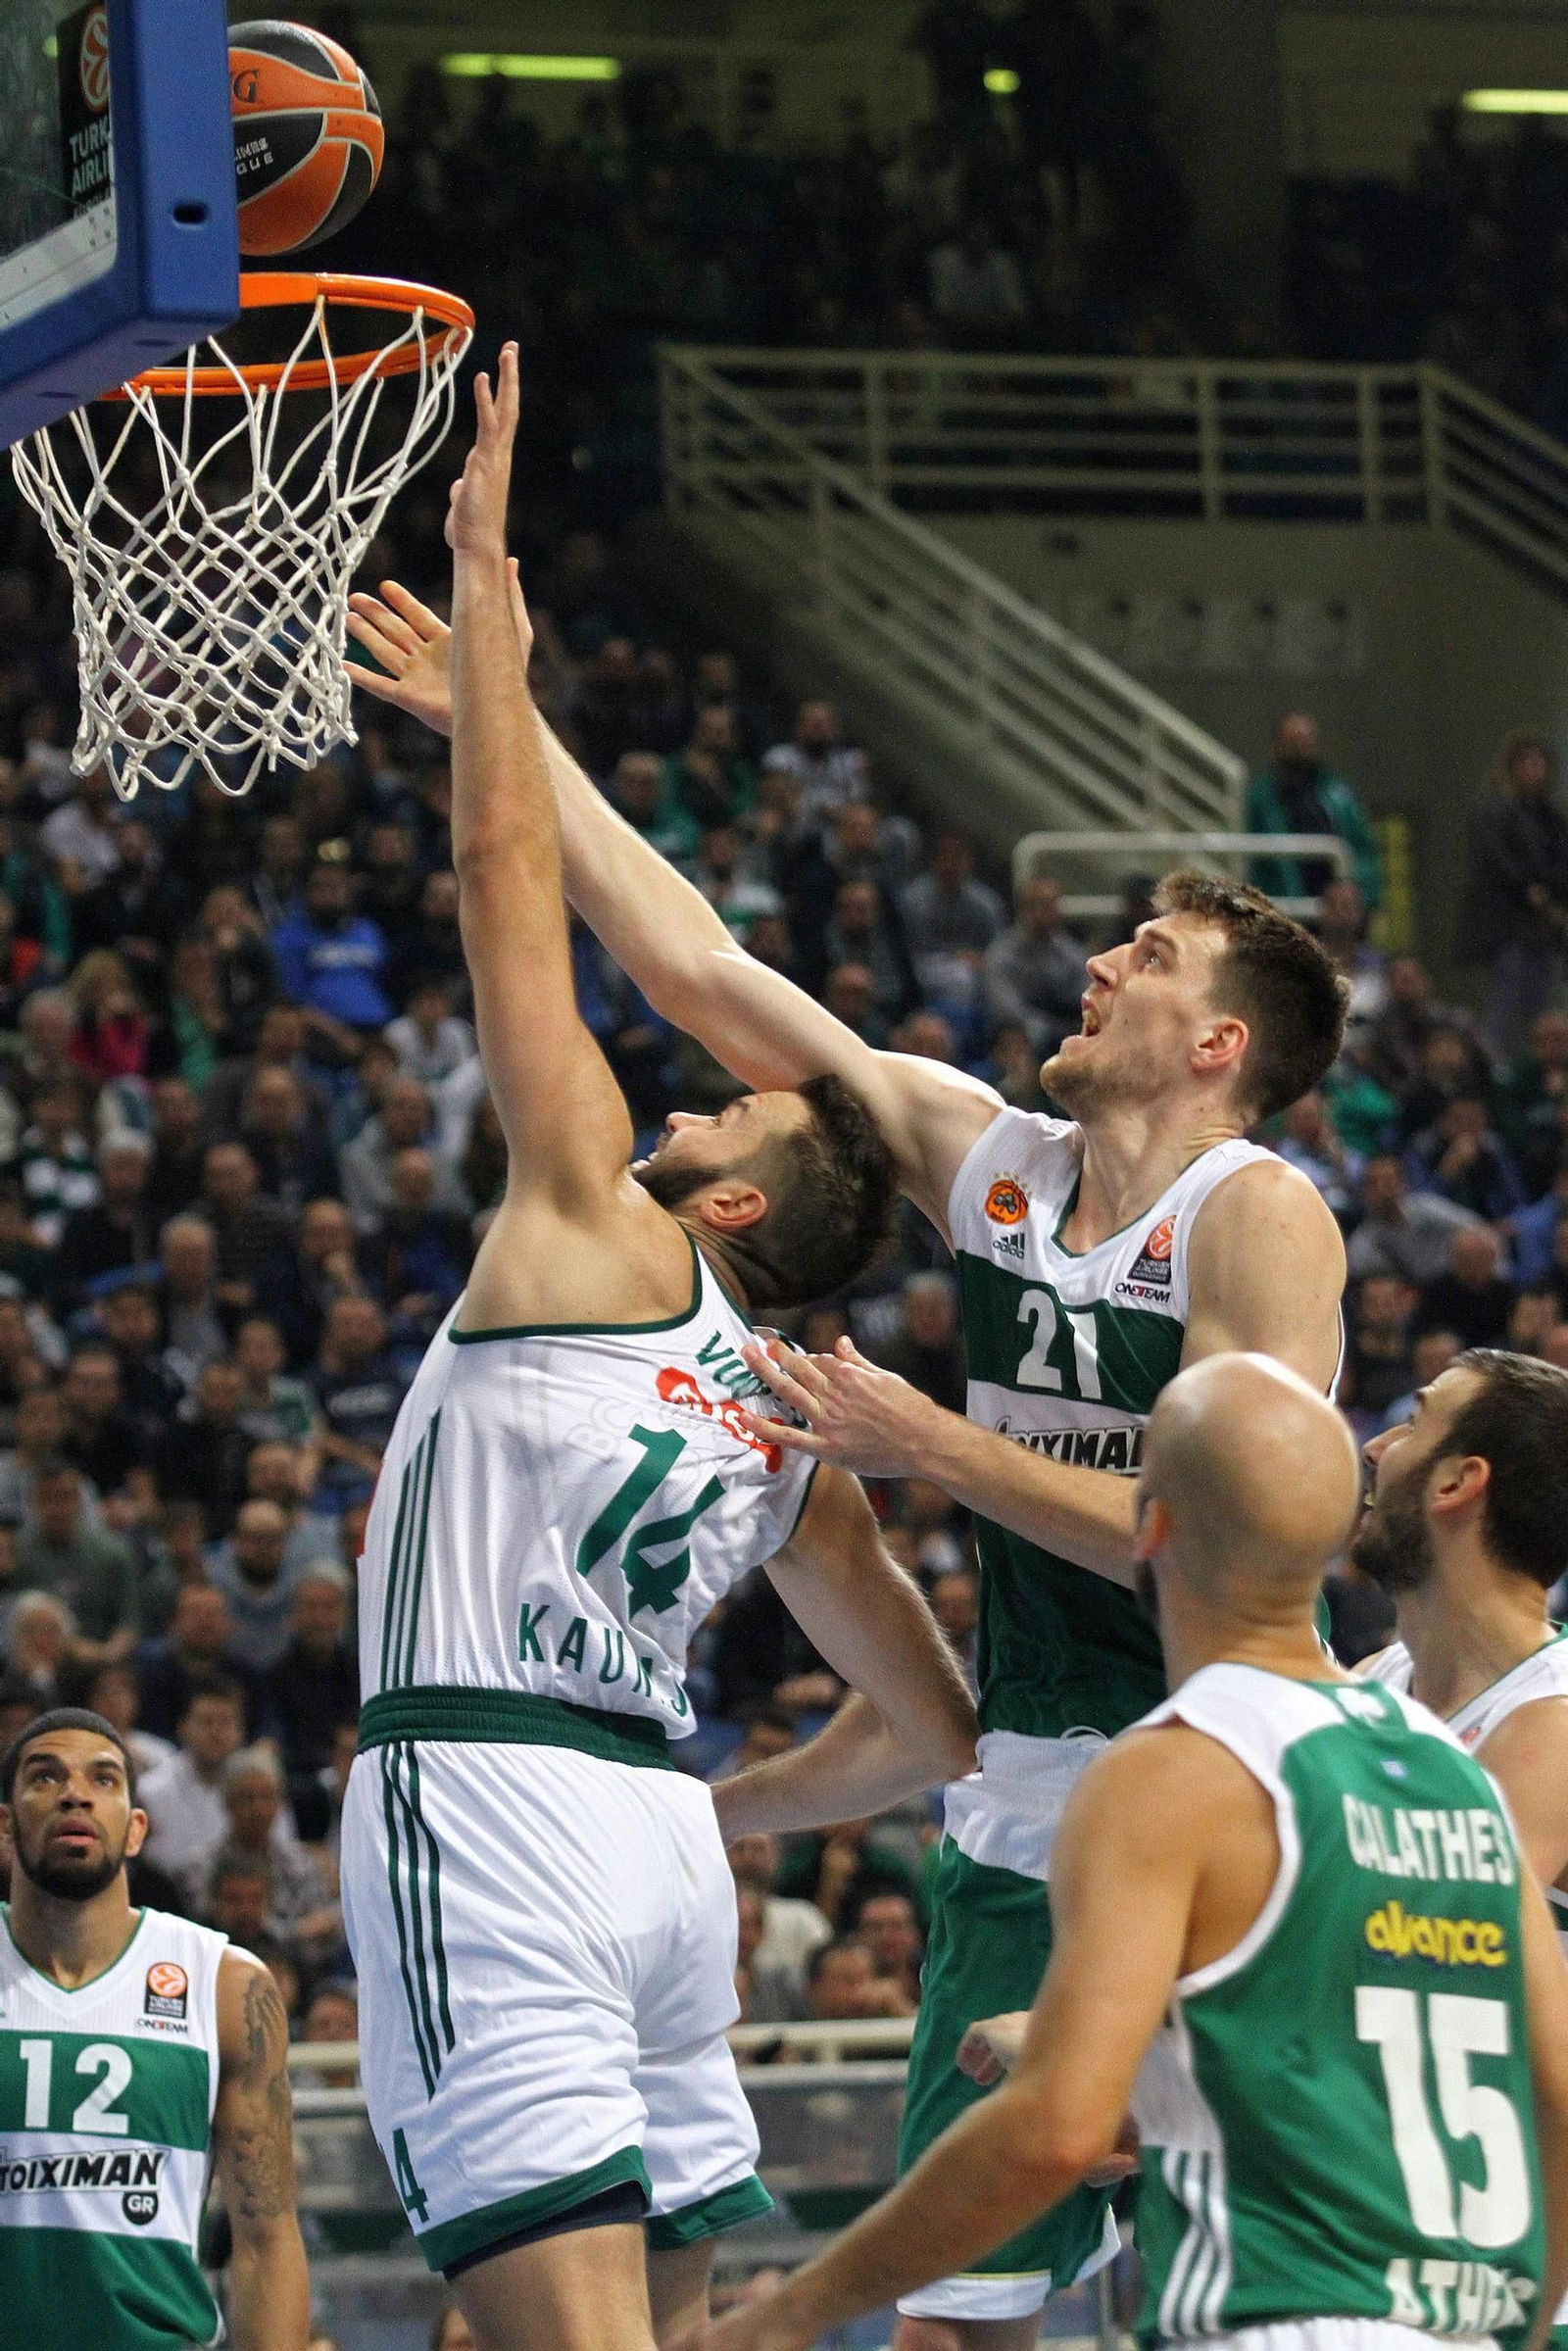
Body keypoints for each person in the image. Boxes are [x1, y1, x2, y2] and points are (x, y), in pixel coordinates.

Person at [348, 541, 1350, 2351]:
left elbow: (1238, 1532)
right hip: (1025, 1785)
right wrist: (494, 721)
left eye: (1152, 952)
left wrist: (937, 1447)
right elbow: (694, 958)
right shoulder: (987, 1159)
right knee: (957, 2318)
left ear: (1215, 1041)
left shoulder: (1252, 1210)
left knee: (1249, 2290)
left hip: (1213, 1769)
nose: (1105, 953)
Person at [338, 352, 976, 2351]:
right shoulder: (789, 1412)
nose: (697, 1096)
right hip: (648, 1830)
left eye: (733, 1114)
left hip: (491, 1794)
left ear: (721, 1208)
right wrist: (723, 1808)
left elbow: (500, 888)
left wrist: (493, 617)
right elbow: (931, 1726)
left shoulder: (602, 1231)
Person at [673, 1355, 1568, 2351]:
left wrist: (782, 2314)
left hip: (1288, 2308)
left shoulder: (1172, 1770)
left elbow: (1053, 2129)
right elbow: (1542, 2077)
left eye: (1410, 1417)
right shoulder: (1440, 1767)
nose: (1377, 1438)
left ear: (1147, 1527)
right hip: (1464, 2310)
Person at [0, 1707, 309, 2349]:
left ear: (137, 1828)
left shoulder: (223, 1982)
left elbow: (267, 2238)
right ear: (5, 1823)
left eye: (105, 1778)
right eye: (45, 1777)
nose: (75, 1792)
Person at [1355, 1349, 1568, 1946]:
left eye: (1414, 1424)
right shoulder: (1378, 1677)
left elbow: (1417, 1954)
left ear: (1457, 1482)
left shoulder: (1552, 1727)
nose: (1375, 1449)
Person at [1469, 729, 1568, 1057]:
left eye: (1539, 763)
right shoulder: (1495, 811)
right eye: (1526, 763)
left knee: (1541, 1012)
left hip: (1545, 930)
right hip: (1508, 927)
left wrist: (1552, 898)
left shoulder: (1550, 817)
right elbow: (1495, 859)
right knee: (1505, 1012)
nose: (1533, 770)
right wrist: (1529, 890)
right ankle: (1498, 1073)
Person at [1245, 711, 1383, 909]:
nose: (1300, 748)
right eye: (1293, 741)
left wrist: (1358, 889)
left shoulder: (1339, 795)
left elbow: (1363, 851)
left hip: (1335, 907)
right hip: (1284, 907)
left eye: (1305, 740)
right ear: (1276, 745)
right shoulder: (1260, 801)